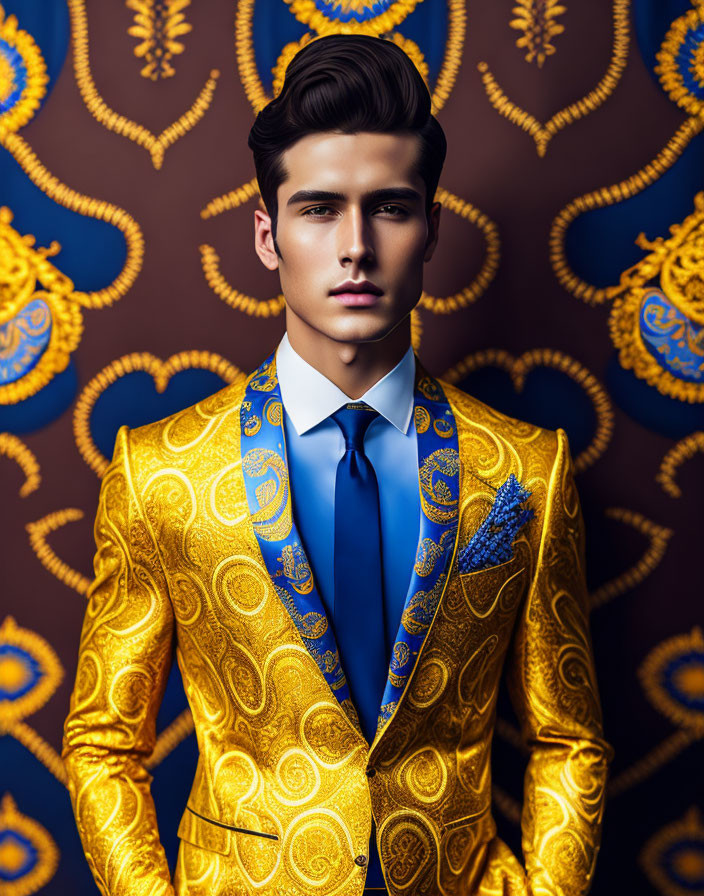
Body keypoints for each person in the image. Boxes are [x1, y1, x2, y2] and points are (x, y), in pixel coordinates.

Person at [62, 33, 612, 896]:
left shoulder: (527, 468)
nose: (355, 246)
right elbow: (104, 743)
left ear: (429, 229)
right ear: (268, 236)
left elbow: (567, 739)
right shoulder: (156, 471)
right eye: (319, 209)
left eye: (390, 207)